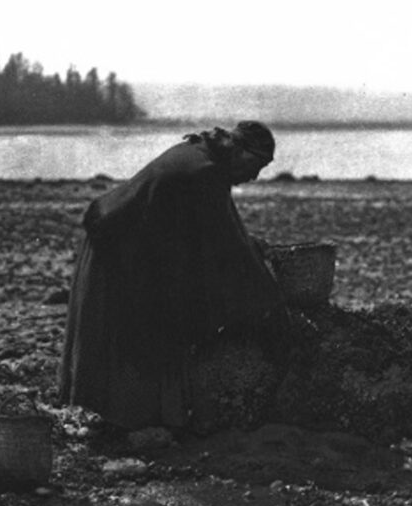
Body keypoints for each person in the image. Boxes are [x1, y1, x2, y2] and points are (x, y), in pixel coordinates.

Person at [57, 121, 287, 431]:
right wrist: (269, 299)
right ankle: (125, 420)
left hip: (122, 236)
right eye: (256, 165)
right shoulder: (205, 171)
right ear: (239, 150)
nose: (254, 176)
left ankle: (121, 416)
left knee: (136, 331)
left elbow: (217, 227)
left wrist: (250, 246)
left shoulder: (204, 154)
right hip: (114, 247)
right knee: (127, 334)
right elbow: (226, 246)